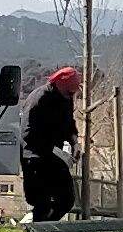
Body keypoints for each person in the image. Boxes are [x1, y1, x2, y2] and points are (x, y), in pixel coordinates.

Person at [21, 64, 81, 222]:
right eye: (71, 89)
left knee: (67, 199)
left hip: (54, 157)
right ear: (61, 82)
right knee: (42, 203)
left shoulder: (66, 99)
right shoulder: (39, 98)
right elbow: (28, 133)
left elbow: (69, 124)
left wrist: (75, 142)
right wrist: (56, 151)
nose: (73, 94)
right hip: (35, 158)